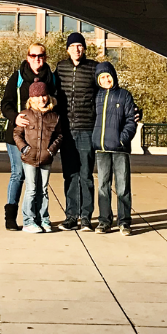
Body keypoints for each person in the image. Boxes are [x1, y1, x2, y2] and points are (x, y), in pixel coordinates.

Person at [0, 43, 58, 231]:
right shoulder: (17, 77)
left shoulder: (51, 78)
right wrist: (14, 117)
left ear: (45, 57)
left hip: (41, 138)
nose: (37, 59)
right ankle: (11, 215)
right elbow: (5, 104)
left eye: (40, 55)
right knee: (19, 174)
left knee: (38, 182)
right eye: (33, 55)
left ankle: (36, 218)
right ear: (28, 57)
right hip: (18, 136)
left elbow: (56, 106)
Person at [55, 32, 98, 231]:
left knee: (86, 174)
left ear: (84, 48)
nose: (77, 49)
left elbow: (104, 93)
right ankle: (71, 215)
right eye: (73, 46)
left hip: (87, 128)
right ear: (68, 49)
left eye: (80, 46)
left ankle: (87, 216)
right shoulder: (61, 68)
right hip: (67, 130)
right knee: (70, 174)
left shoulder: (93, 68)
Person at [92, 62, 138, 235]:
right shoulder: (97, 96)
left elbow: (131, 120)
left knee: (122, 185)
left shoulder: (124, 95)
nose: (105, 80)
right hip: (101, 148)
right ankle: (104, 221)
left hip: (119, 148)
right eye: (102, 78)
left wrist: (123, 139)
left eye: (107, 76)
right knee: (103, 185)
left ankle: (124, 221)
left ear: (113, 76)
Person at [13, 80, 63, 233]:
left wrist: (51, 150)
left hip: (46, 158)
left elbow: (59, 135)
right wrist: (24, 149)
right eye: (37, 96)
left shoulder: (54, 116)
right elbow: (17, 134)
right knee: (31, 189)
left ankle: (44, 219)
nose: (41, 99)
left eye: (43, 95)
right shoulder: (25, 115)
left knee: (43, 189)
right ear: (31, 98)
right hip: (29, 158)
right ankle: (28, 221)